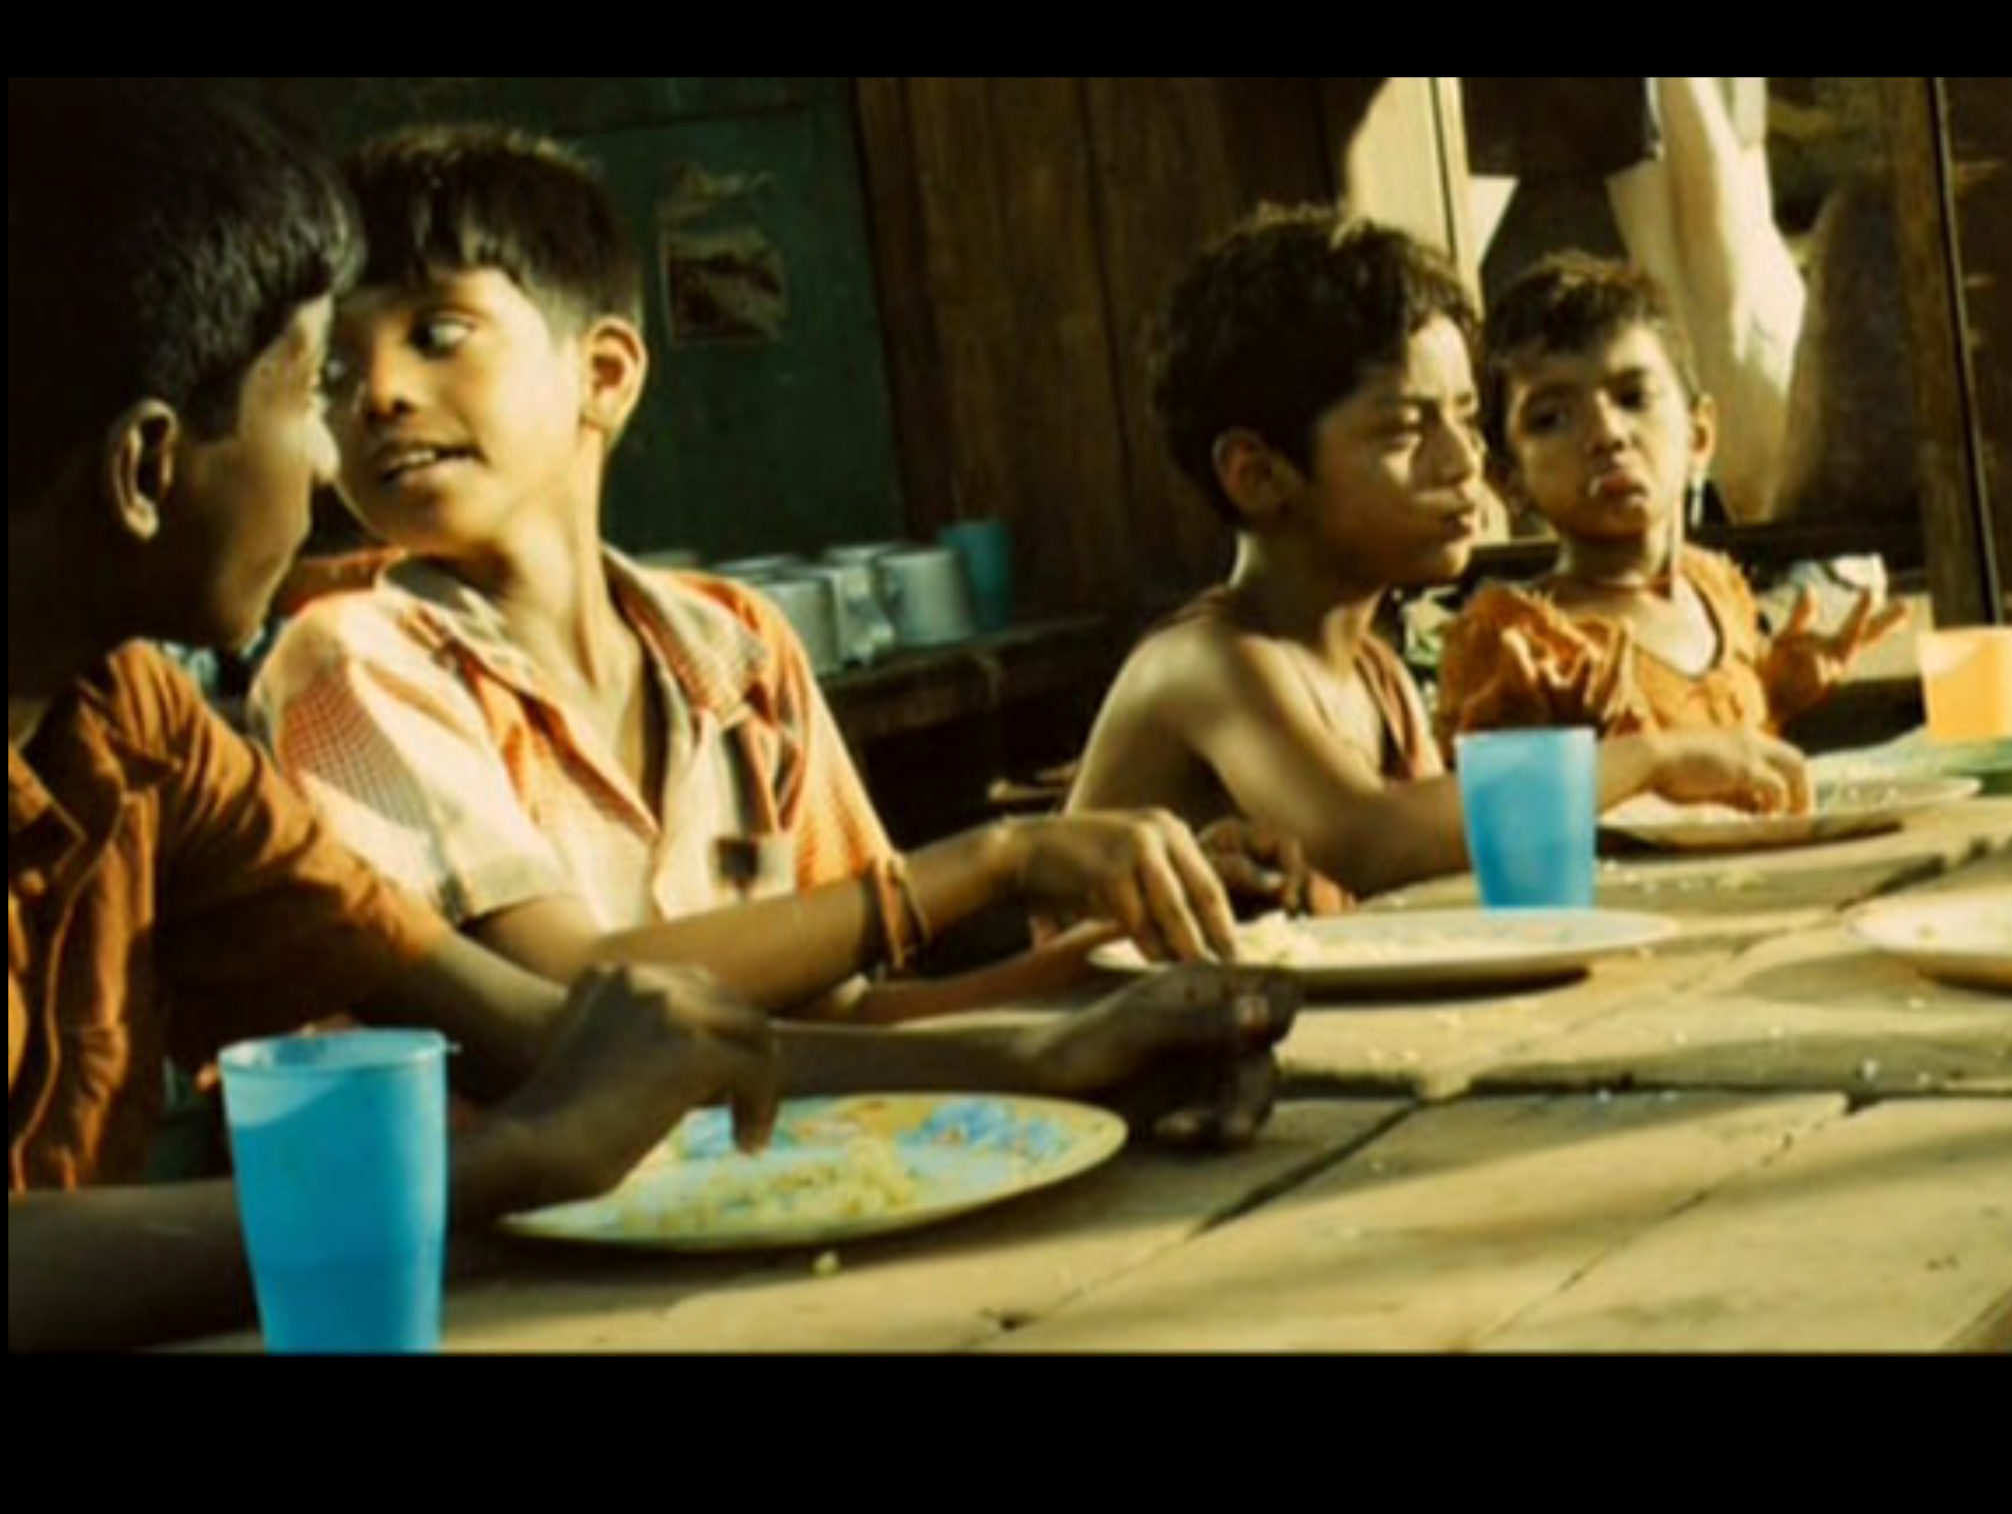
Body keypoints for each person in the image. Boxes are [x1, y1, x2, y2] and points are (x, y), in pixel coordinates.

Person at [253, 126, 1258, 1016]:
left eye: (436, 335)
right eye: (334, 369)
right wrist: (1001, 857)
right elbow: (567, 1002)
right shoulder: (354, 659)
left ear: (604, 375)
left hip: (776, 1160)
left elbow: (841, 1020)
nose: (378, 393)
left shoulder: (736, 651)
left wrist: (1139, 947)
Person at [1069, 209, 1809, 903]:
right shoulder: (1202, 665)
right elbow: (1370, 841)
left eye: (1465, 419)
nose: (1463, 461)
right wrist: (1655, 758)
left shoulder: (1377, 675)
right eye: (1404, 431)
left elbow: (1445, 867)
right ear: (1257, 474)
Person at [1434, 254, 1905, 747]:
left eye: (1633, 398)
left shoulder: (1717, 589)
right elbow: (1483, 788)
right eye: (1552, 418)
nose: (1607, 433)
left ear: (1699, 436)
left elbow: (1730, 758)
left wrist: (1775, 694)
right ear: (1508, 479)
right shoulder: (1510, 640)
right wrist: (1558, 742)